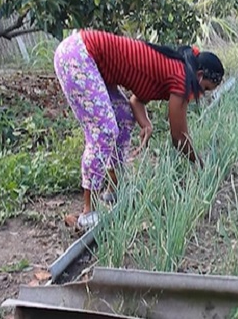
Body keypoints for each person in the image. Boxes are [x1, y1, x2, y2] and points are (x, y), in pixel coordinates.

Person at [53, 29, 224, 229]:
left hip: (86, 58)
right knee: (104, 130)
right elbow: (178, 137)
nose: (201, 95)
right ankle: (87, 212)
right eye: (205, 89)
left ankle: (113, 189)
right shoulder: (182, 77)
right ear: (200, 75)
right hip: (78, 55)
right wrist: (202, 167)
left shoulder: (174, 69)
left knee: (124, 118)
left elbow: (136, 100)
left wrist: (145, 123)